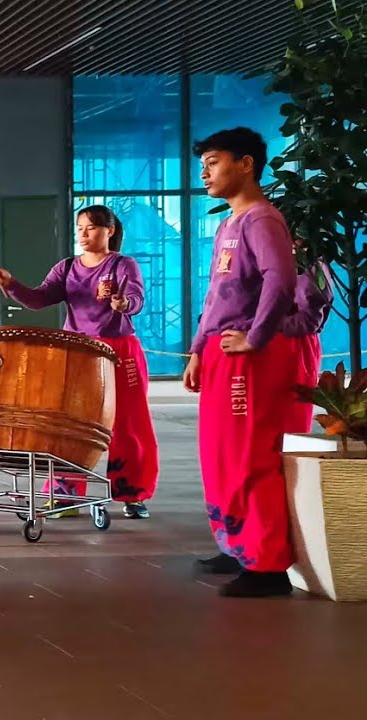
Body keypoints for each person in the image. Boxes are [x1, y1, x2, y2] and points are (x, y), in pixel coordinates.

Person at [183, 127, 298, 598]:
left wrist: (256, 336)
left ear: (246, 164)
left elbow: (282, 279)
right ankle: (236, 545)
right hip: (219, 353)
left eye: (214, 161)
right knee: (222, 455)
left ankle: (268, 566)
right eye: (204, 163)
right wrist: (196, 349)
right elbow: (216, 297)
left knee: (251, 454)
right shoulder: (229, 223)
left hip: (248, 356)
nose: (205, 172)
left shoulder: (262, 219)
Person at [0, 206, 160, 519]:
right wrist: (10, 284)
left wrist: (124, 303)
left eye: (91, 228)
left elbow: (135, 297)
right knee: (68, 426)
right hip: (76, 354)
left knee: (129, 424)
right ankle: (64, 495)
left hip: (119, 352)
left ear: (109, 231)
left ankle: (132, 493)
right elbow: (38, 299)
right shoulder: (67, 268)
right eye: (80, 227)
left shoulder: (123, 264)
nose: (83, 234)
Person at [281, 256, 333, 433]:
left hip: (297, 345)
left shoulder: (312, 264)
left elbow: (310, 320)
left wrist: (263, 325)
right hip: (268, 341)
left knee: (293, 422)